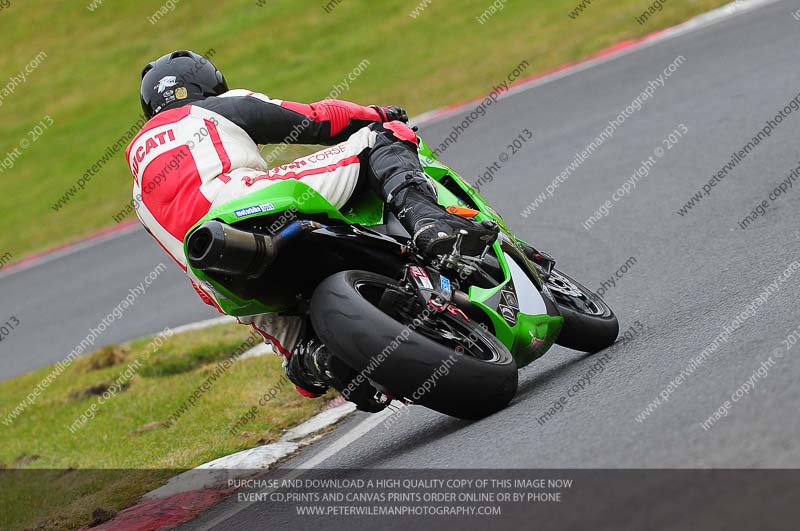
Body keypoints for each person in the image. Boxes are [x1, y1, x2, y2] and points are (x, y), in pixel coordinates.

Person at [126, 50, 497, 406]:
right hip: (251, 205)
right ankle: (431, 225)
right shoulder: (204, 110)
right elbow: (313, 118)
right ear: (209, 85)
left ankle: (319, 362)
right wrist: (376, 114)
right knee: (381, 140)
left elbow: (183, 256)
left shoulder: (138, 192)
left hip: (218, 272)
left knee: (300, 355)